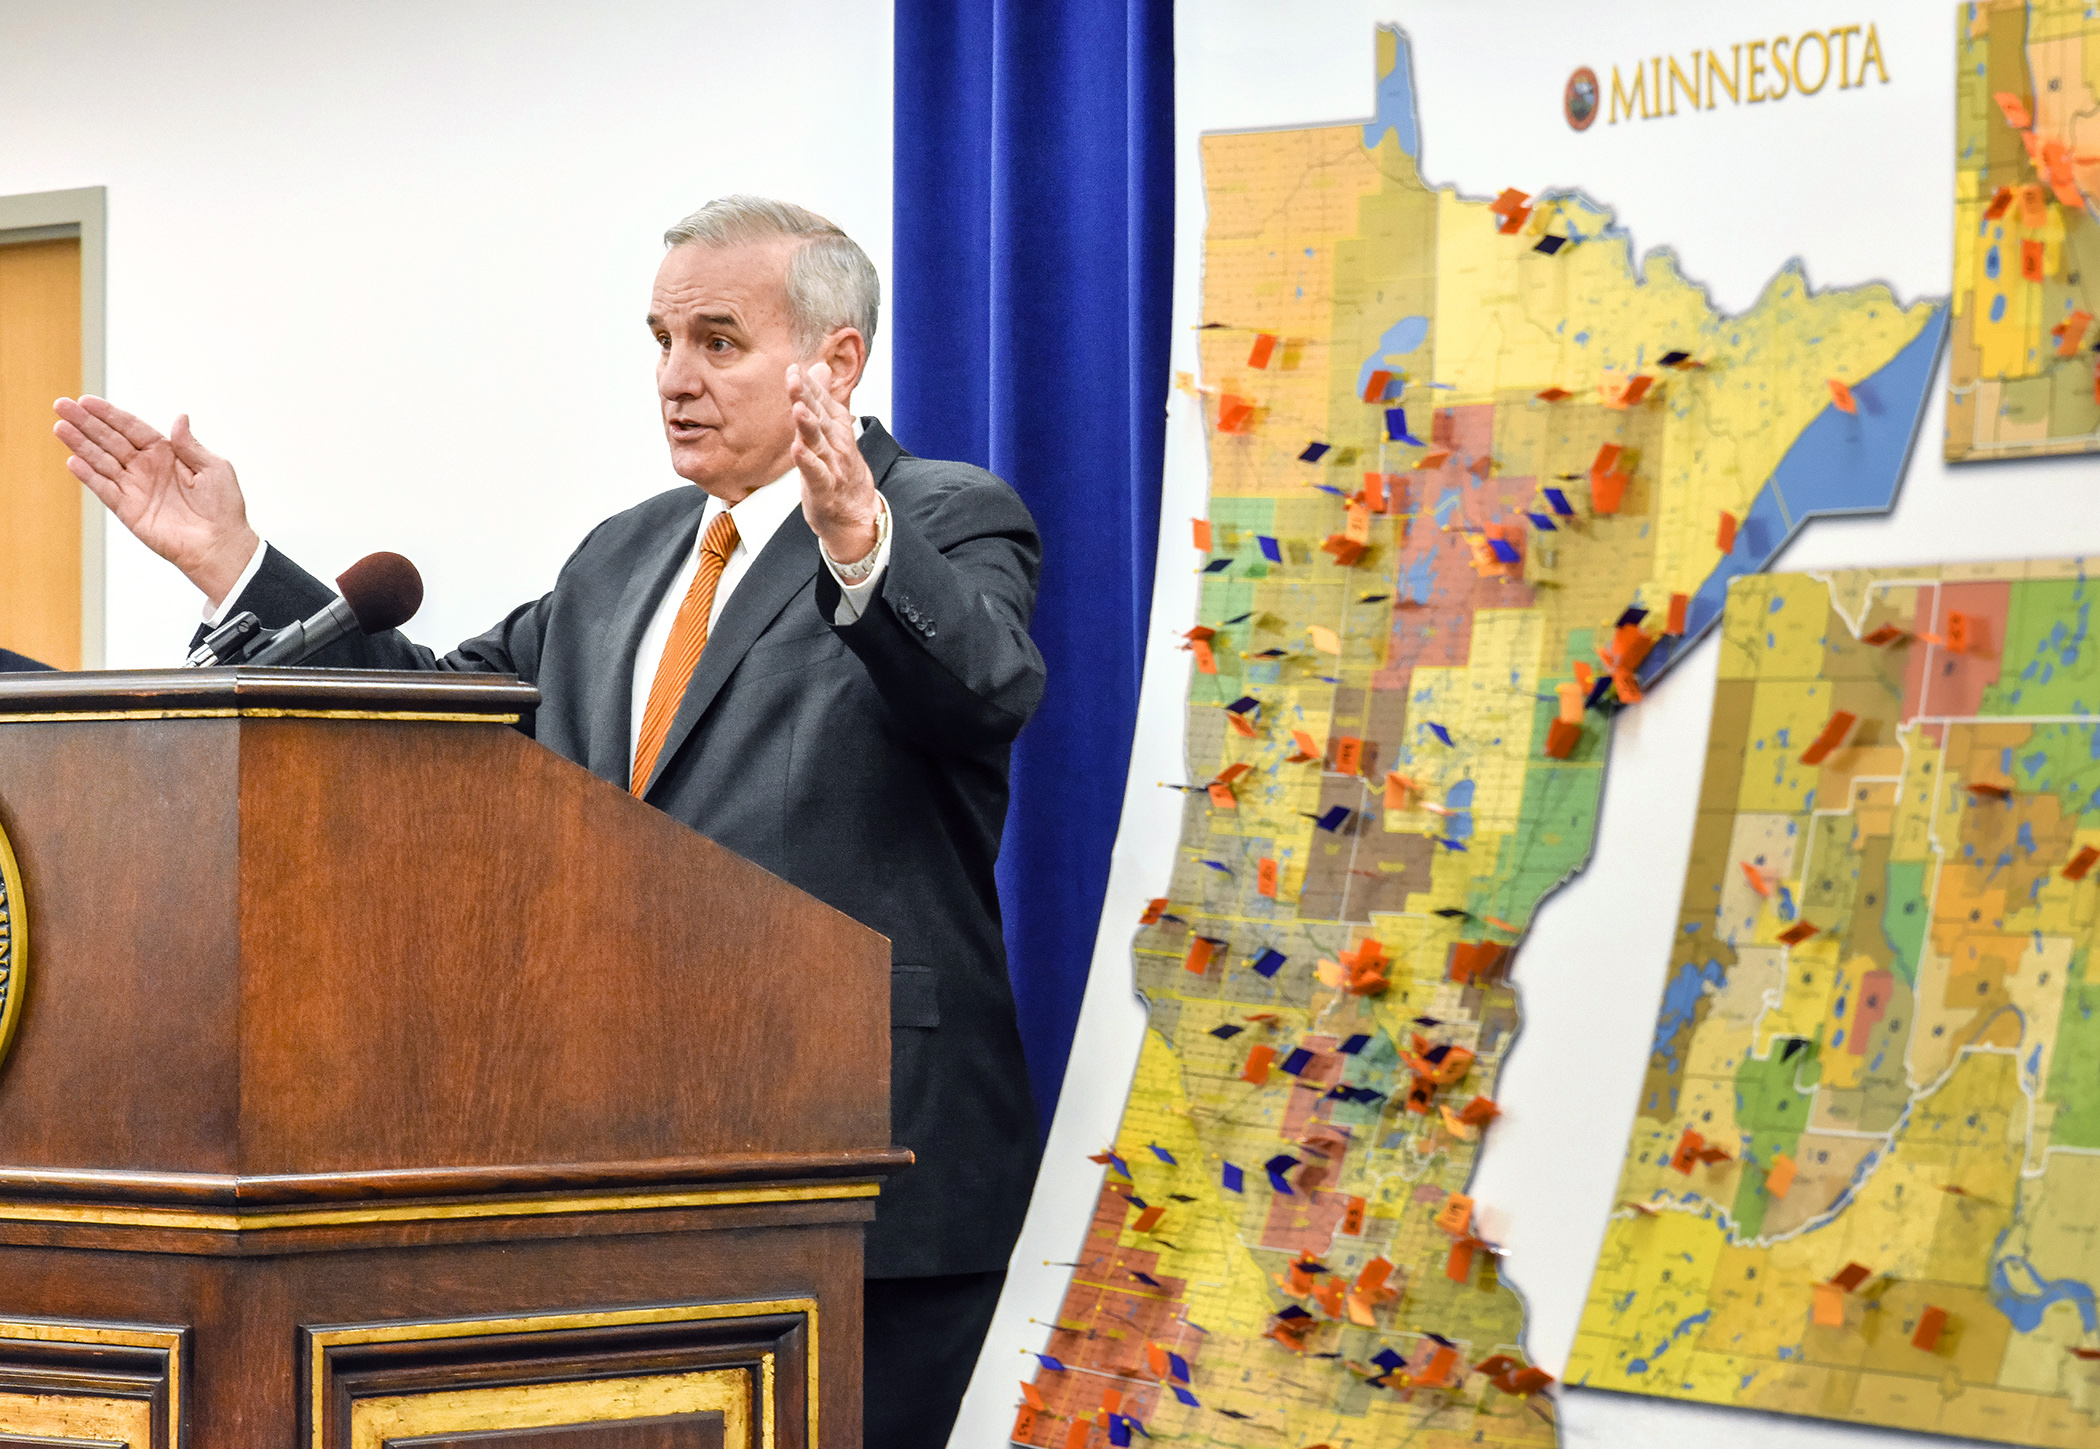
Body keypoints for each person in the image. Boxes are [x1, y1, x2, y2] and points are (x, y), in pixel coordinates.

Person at [54, 196, 1043, 1449]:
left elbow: (987, 688)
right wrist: (238, 565)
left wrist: (861, 542)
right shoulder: (620, 561)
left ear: (834, 362)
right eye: (662, 340)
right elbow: (434, 726)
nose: (676, 379)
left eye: (719, 342)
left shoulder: (946, 518)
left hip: (866, 1171)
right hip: (627, 1167)